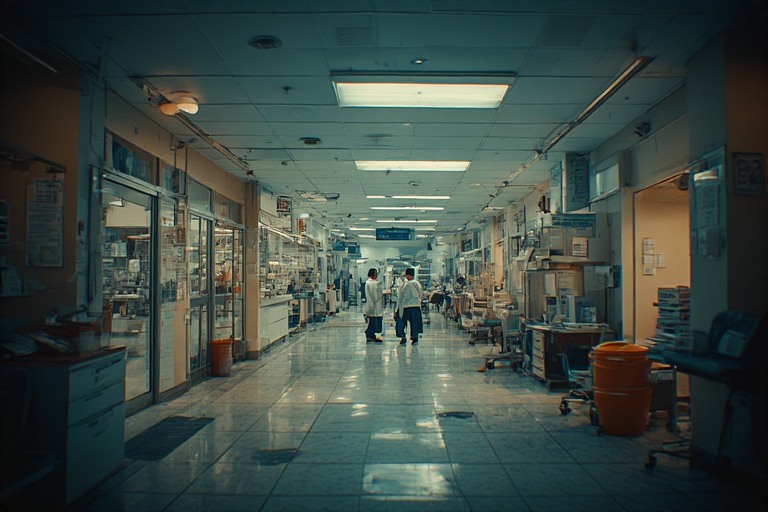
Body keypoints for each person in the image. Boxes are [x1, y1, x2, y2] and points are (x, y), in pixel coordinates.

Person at [397, 267, 423, 345]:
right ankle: (415, 338)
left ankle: (403, 337)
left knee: (401, 322)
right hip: (416, 306)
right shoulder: (418, 283)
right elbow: (420, 294)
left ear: (407, 275)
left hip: (405, 306)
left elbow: (400, 295)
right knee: (415, 323)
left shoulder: (405, 284)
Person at [363, 268, 383, 342]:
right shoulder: (372, 283)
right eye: (376, 274)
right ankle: (371, 335)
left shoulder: (369, 282)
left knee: (372, 321)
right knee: (374, 321)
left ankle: (371, 335)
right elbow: (375, 295)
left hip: (373, 305)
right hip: (374, 305)